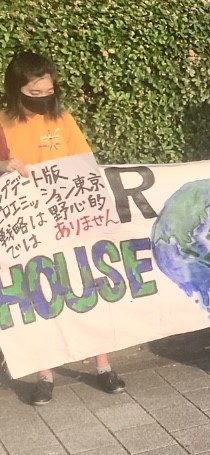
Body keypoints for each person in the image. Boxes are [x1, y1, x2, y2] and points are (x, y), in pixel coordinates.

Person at [0, 51, 126, 405]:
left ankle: (103, 365)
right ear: (17, 89)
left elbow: (86, 165)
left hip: (69, 219)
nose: (42, 99)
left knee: (88, 287)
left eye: (48, 92)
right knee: (39, 293)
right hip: (26, 224)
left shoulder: (63, 120)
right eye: (34, 93)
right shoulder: (2, 124)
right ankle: (45, 374)